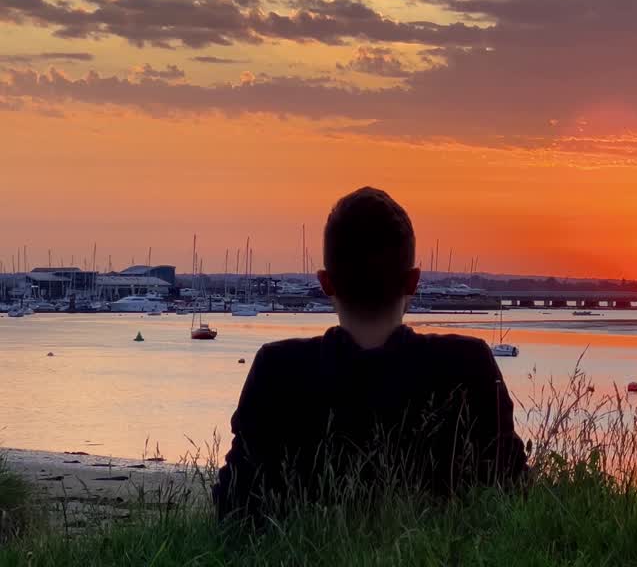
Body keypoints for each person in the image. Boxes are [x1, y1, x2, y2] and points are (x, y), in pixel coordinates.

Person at [214, 187, 526, 522]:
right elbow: (513, 493)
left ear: (325, 282)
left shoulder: (277, 370)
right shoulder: (468, 364)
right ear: (414, 281)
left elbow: (234, 505)